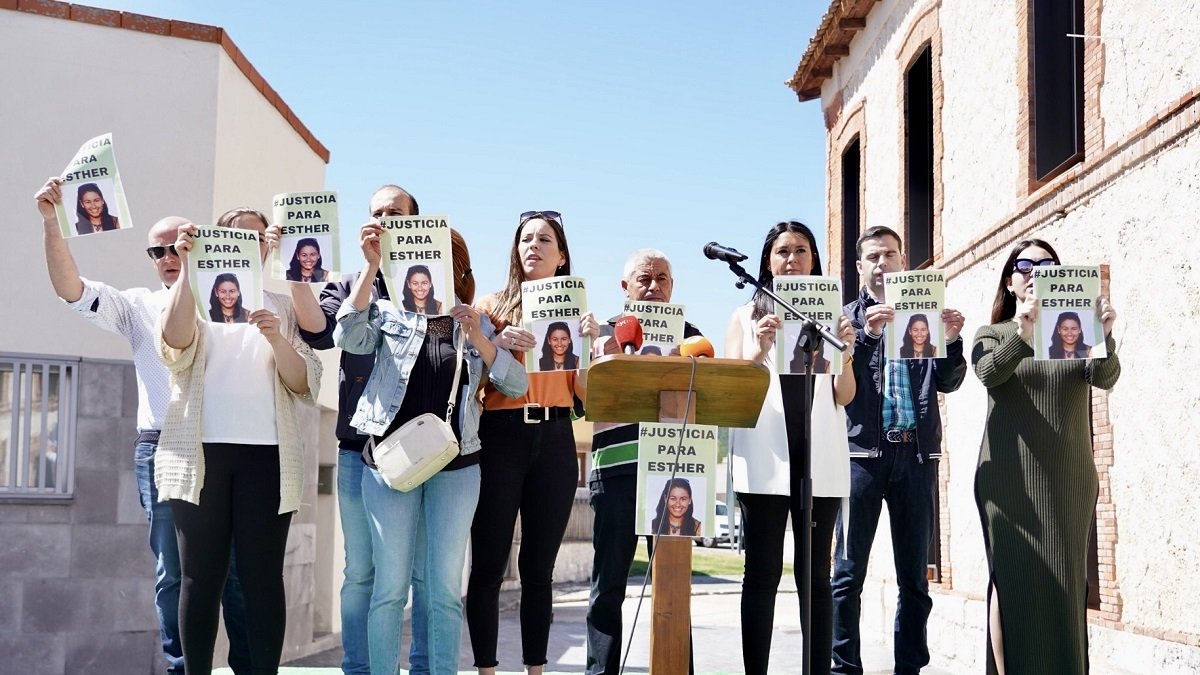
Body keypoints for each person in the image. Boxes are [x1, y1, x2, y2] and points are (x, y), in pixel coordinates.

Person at [34, 177, 252, 675]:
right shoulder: (136, 305)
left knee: (239, 574)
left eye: (178, 245)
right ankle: (182, 670)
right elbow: (71, 290)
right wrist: (52, 223)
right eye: (158, 250)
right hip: (162, 448)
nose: (169, 256)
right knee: (172, 574)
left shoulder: (232, 304)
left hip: (230, 448)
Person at [336, 223, 527, 675]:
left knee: (441, 589)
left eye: (447, 264)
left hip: (458, 467)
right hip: (388, 465)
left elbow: (516, 384)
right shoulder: (386, 314)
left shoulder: (475, 323)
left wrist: (479, 338)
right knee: (389, 588)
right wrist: (370, 265)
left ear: (458, 270)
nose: (428, 278)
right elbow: (348, 336)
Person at [158, 207, 322, 674]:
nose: (247, 245)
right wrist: (189, 269)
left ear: (267, 245)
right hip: (199, 455)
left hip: (267, 457)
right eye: (236, 237)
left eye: (257, 237)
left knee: (262, 579)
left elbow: (303, 383)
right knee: (198, 579)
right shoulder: (191, 296)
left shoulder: (282, 305)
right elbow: (171, 345)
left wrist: (275, 337)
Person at [972, 239, 1119, 675]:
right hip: (1008, 483)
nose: (1034, 271)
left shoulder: (1074, 329)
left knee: (1067, 589)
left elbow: (1106, 378)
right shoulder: (993, 333)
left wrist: (1105, 337)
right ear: (1010, 280)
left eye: (1046, 264)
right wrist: (1021, 333)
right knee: (1012, 584)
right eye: (1024, 265)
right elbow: (988, 373)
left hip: (1068, 477)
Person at [292, 184, 418, 675]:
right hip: (357, 449)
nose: (384, 220)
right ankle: (358, 670)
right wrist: (370, 267)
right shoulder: (346, 283)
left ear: (413, 220)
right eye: (376, 213)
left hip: (418, 448)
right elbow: (318, 332)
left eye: (395, 212)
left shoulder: (436, 286)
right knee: (360, 572)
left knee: (410, 578)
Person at [467, 210, 599, 675]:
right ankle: (485, 669)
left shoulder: (578, 315)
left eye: (545, 239)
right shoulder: (490, 307)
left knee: (539, 570)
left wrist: (592, 345)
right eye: (526, 238)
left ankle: (536, 670)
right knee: (487, 564)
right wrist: (498, 340)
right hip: (501, 435)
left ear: (561, 256)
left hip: (558, 437)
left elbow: (587, 397)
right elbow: (472, 383)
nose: (534, 246)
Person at [831, 225, 966, 675]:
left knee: (915, 580)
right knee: (848, 576)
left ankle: (910, 668)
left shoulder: (922, 313)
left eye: (890, 254)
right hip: (862, 460)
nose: (882, 263)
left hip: (915, 456)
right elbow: (839, 390)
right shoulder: (846, 319)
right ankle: (844, 667)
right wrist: (866, 338)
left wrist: (951, 340)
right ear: (859, 266)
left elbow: (947, 381)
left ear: (903, 261)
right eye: (873, 256)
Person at [725, 221, 856, 675]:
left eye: (802, 250)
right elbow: (734, 388)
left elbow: (843, 395)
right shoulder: (745, 315)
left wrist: (848, 353)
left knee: (816, 579)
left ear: (815, 260)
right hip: (765, 460)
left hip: (819, 458)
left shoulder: (832, 316)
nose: (792, 259)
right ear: (767, 261)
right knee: (761, 574)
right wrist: (759, 350)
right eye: (783, 251)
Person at [585, 248, 702, 675]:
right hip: (616, 470)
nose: (654, 287)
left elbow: (709, 396)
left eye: (663, 279)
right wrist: (605, 356)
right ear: (625, 286)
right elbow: (585, 402)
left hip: (675, 476)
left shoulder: (692, 337)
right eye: (645, 278)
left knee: (673, 587)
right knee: (607, 586)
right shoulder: (600, 335)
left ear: (673, 287)